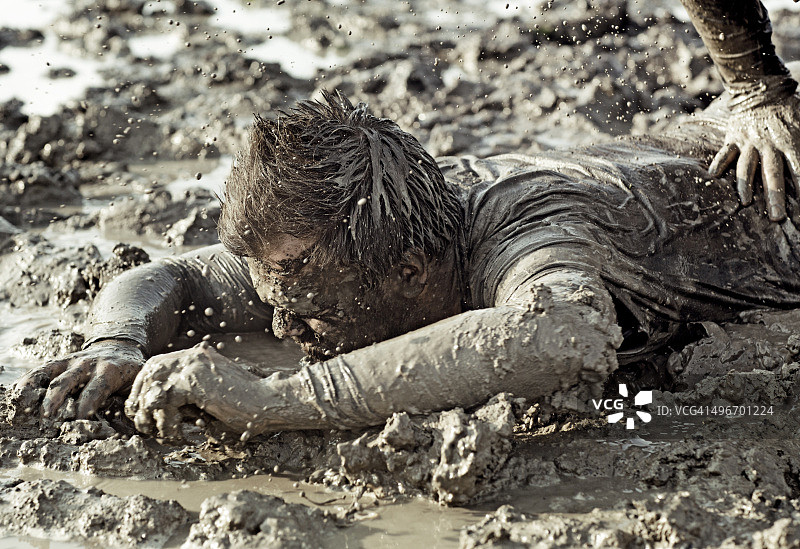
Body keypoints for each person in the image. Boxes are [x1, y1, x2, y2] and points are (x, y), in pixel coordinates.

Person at [11, 0, 800, 439]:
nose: (283, 332)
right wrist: (115, 341)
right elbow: (169, 277)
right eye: (275, 303)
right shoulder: (390, 215)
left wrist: (278, 399)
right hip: (679, 151)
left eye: (304, 312)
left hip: (761, 195)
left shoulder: (528, 234)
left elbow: (564, 335)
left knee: (671, 404)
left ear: (412, 273)